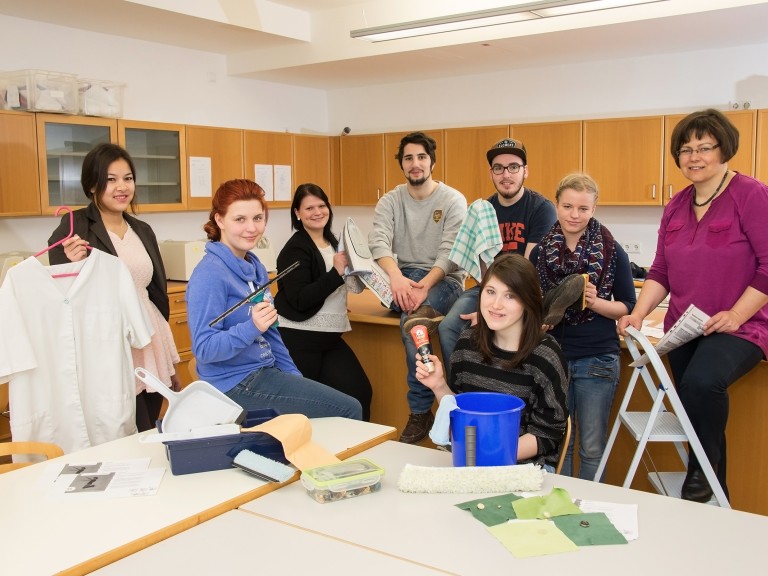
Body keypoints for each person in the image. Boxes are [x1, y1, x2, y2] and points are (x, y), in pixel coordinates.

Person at [618, 109, 768, 503]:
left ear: (724, 150)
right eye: (685, 149)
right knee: (687, 395)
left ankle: (704, 475)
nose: (694, 156)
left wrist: (736, 314)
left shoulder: (750, 194)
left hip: (740, 325)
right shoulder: (677, 204)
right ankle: (708, 483)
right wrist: (637, 311)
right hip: (684, 324)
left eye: (704, 147)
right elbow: (661, 270)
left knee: (703, 383)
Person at [186, 178, 362, 420]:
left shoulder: (254, 267)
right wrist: (251, 327)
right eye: (240, 219)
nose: (251, 228)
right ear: (219, 220)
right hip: (234, 384)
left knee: (348, 402)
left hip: (264, 371)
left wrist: (294, 379)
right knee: (348, 409)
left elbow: (271, 335)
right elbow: (204, 350)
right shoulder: (210, 274)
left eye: (258, 218)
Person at [48, 143, 180, 432]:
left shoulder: (142, 229)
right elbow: (58, 291)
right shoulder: (75, 225)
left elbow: (155, 288)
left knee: (150, 421)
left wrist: (164, 344)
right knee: (123, 426)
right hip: (109, 340)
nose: (122, 187)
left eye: (128, 178)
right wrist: (69, 265)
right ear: (92, 184)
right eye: (111, 179)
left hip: (149, 334)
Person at [415, 254, 569, 470]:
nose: (496, 305)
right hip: (470, 461)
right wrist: (439, 386)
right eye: (490, 292)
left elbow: (548, 434)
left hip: (522, 468)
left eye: (510, 296)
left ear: (528, 301)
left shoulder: (546, 355)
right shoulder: (468, 342)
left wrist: (488, 455)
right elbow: (461, 414)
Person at [530, 173, 636, 481]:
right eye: (567, 206)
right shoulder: (539, 253)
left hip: (597, 359)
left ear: (594, 209)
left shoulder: (613, 251)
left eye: (583, 208)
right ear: (556, 204)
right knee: (561, 441)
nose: (574, 215)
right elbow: (530, 304)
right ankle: (563, 503)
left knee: (591, 446)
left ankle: (589, 508)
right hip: (554, 359)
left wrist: (594, 302)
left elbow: (627, 305)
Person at [368, 131, 467, 444]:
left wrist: (424, 286)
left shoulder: (452, 199)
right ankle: (429, 406)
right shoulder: (391, 200)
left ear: (432, 162)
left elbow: (451, 251)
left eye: (421, 157)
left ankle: (423, 408)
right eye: (408, 158)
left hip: (444, 280)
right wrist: (396, 277)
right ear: (401, 163)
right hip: (402, 277)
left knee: (413, 323)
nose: (415, 164)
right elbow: (378, 240)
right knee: (409, 309)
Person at [438, 138, 557, 380]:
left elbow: (528, 269)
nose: (506, 174)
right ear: (491, 173)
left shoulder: (541, 208)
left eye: (514, 166)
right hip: (487, 286)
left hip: (523, 288)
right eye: (498, 168)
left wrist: (492, 308)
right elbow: (482, 268)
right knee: (449, 326)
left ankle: (501, 382)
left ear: (525, 170)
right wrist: (487, 300)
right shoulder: (482, 209)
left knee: (502, 327)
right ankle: (458, 392)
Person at [274, 183, 373, 420]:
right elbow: (299, 299)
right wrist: (336, 274)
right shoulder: (295, 249)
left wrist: (337, 301)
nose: (317, 212)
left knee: (359, 394)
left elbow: (330, 285)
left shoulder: (333, 241)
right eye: (309, 208)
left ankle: (354, 449)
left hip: (329, 338)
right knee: (306, 411)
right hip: (299, 339)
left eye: (321, 205)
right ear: (297, 213)